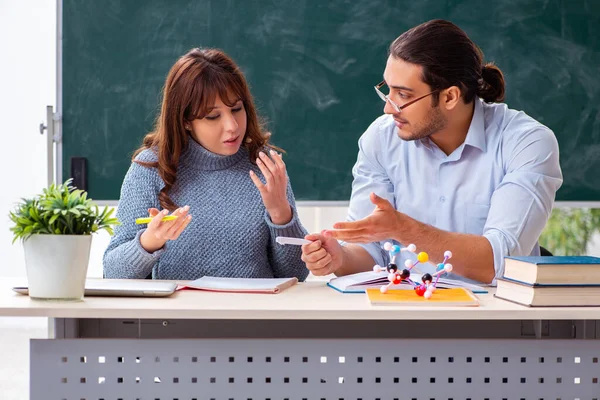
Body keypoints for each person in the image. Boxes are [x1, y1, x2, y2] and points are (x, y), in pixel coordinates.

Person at [301, 19, 562, 285]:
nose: (388, 109)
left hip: (492, 317)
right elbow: (372, 254)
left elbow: (500, 262)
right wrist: (340, 258)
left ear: (450, 97)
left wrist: (404, 229)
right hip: (402, 312)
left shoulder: (527, 142)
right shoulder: (381, 139)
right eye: (387, 90)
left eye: (403, 95)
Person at [104, 48, 309, 281]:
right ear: (186, 121)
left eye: (236, 109)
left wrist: (281, 213)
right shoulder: (151, 168)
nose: (232, 126)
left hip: (252, 314)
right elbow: (112, 272)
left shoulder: (265, 164)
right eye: (213, 117)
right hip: (176, 316)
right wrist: (150, 241)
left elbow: (296, 274)